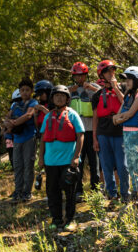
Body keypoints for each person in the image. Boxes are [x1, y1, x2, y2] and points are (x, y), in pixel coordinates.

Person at [40, 85, 85, 230]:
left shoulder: (72, 114)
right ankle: (56, 219)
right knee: (52, 192)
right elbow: (42, 139)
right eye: (56, 95)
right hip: (50, 161)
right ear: (52, 98)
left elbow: (80, 135)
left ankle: (70, 219)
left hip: (68, 161)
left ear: (67, 99)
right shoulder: (47, 116)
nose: (59, 98)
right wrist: (40, 158)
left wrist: (76, 157)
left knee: (70, 192)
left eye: (62, 95)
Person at [91, 59, 129, 203]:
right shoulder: (96, 95)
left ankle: (125, 194)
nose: (111, 73)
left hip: (120, 131)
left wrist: (115, 87)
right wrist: (95, 138)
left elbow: (127, 103)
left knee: (122, 166)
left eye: (113, 70)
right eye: (107, 71)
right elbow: (95, 118)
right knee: (106, 166)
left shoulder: (124, 87)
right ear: (101, 74)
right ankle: (112, 195)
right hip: (103, 133)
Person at [113, 66, 138, 204]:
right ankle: (135, 191)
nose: (127, 82)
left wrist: (119, 118)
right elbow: (119, 112)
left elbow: (130, 113)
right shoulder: (129, 94)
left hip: (137, 132)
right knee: (131, 164)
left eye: (129, 79)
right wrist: (119, 118)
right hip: (127, 133)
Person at [3, 79, 39, 202]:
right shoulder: (14, 105)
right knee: (18, 165)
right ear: (19, 91)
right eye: (22, 90)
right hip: (17, 138)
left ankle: (27, 192)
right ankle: (17, 191)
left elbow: (28, 115)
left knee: (28, 165)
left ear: (31, 91)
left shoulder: (33, 102)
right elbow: (7, 117)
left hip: (29, 137)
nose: (24, 92)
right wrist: (8, 123)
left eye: (27, 90)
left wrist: (13, 123)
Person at [69, 62, 101, 199]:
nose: (79, 79)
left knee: (94, 162)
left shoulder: (94, 87)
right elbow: (56, 96)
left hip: (91, 129)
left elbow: (104, 93)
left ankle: (96, 190)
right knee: (78, 162)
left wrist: (92, 88)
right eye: (76, 76)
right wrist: (70, 90)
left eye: (81, 76)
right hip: (76, 132)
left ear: (86, 75)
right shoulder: (70, 90)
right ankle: (78, 190)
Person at [32, 79, 54, 194]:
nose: (40, 97)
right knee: (44, 163)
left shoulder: (53, 103)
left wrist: (43, 109)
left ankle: (55, 190)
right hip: (43, 135)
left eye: (42, 94)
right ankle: (49, 191)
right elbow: (37, 124)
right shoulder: (40, 105)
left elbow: (53, 116)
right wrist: (36, 113)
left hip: (53, 137)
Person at [4, 89, 22, 171]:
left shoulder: (27, 108)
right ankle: (14, 168)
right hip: (9, 138)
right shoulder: (12, 108)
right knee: (12, 154)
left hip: (20, 136)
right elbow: (6, 120)